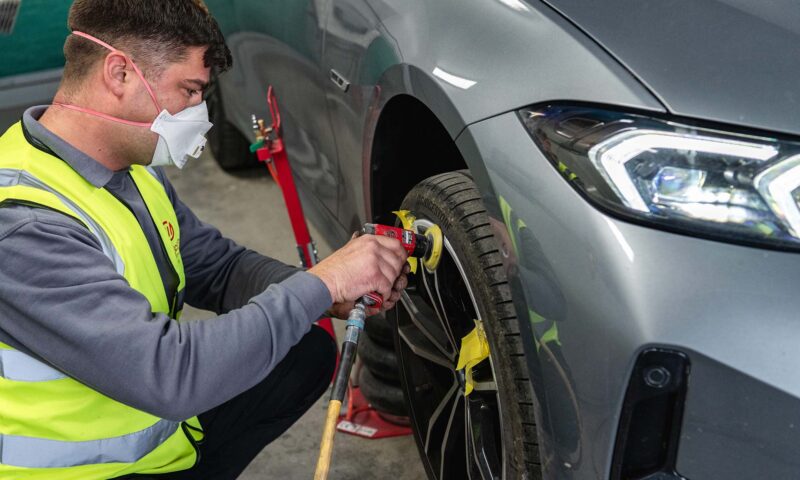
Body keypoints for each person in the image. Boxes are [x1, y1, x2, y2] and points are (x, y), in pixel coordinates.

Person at [0, 1, 409, 478]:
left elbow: (218, 268)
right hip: (83, 471)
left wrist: (327, 288)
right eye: (189, 91)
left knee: (303, 348)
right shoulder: (25, 224)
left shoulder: (128, 170)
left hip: (156, 429)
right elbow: (170, 374)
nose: (200, 114)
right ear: (119, 73)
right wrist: (322, 284)